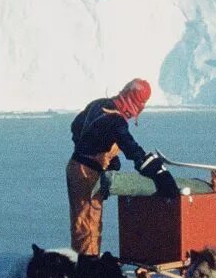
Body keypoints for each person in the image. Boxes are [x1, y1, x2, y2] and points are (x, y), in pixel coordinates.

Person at [66, 78, 181, 255]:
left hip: (75, 167)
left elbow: (76, 126)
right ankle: (87, 267)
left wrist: (100, 152)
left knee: (83, 222)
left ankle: (85, 263)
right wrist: (159, 173)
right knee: (88, 225)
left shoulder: (99, 104)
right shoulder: (115, 120)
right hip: (87, 173)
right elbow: (132, 149)